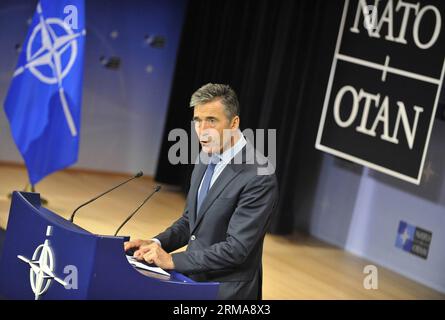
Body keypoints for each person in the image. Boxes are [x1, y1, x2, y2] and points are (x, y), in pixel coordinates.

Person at [124, 83, 278, 299]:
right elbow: (191, 222)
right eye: (197, 120)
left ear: (234, 123)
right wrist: (157, 243)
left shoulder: (258, 176)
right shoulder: (205, 157)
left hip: (226, 291)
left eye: (212, 121)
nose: (202, 130)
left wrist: (172, 261)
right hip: (191, 280)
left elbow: (236, 250)